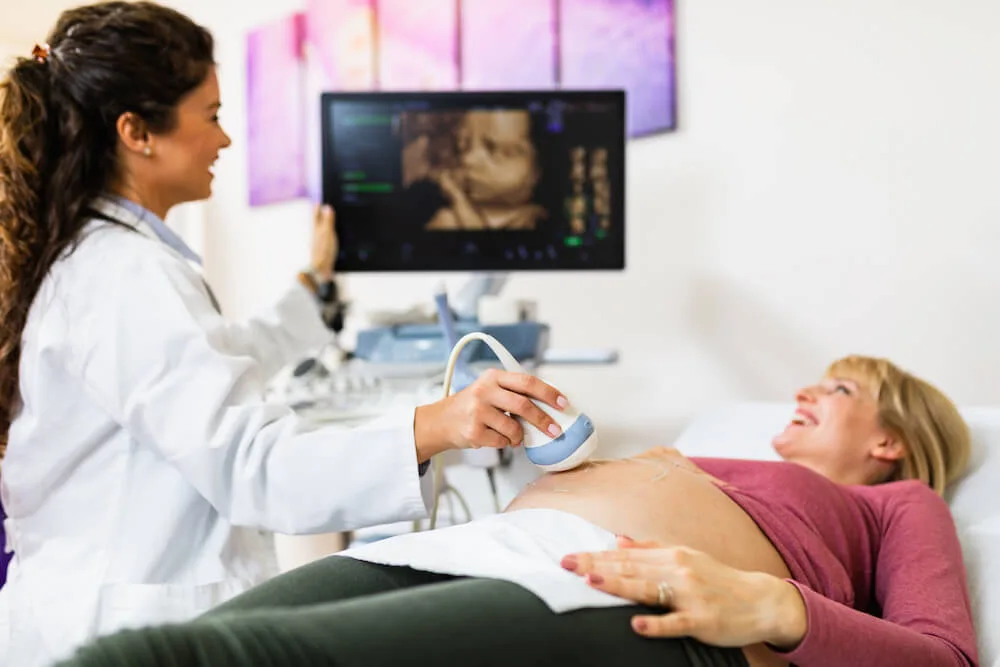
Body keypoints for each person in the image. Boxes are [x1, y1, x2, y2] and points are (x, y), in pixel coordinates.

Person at [0, 3, 570, 665]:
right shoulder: (124, 275)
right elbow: (255, 467)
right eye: (210, 116)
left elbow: (213, 360)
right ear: (137, 132)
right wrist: (438, 424)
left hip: (92, 611)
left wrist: (312, 284)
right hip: (113, 632)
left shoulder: (103, 259)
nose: (226, 141)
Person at [54, 355, 979, 667]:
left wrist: (776, 609)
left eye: (844, 384)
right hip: (488, 548)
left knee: (231, 661)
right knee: (228, 635)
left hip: (636, 599)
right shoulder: (709, 447)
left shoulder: (901, 505)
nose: (811, 387)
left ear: (892, 437)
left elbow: (944, 657)